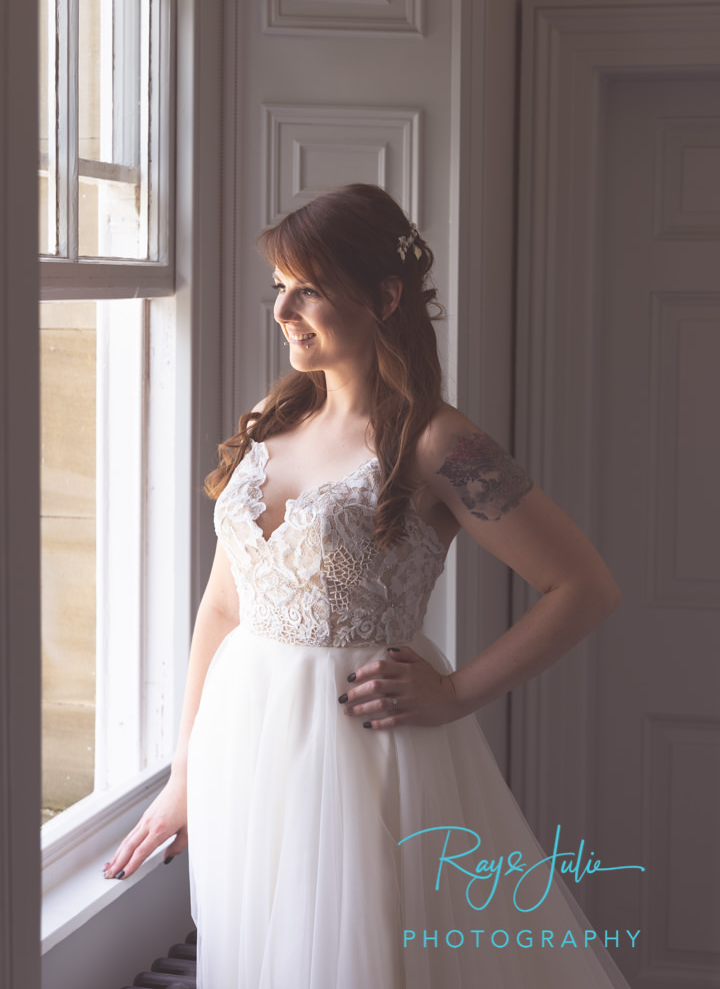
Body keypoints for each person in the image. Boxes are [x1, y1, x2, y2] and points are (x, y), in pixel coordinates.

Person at [105, 184, 635, 988]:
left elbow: (584, 586)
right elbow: (223, 606)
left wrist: (455, 692)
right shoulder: (272, 421)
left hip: (362, 764)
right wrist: (185, 774)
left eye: (308, 287)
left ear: (385, 295)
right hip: (244, 757)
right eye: (278, 285)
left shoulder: (437, 441)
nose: (283, 309)